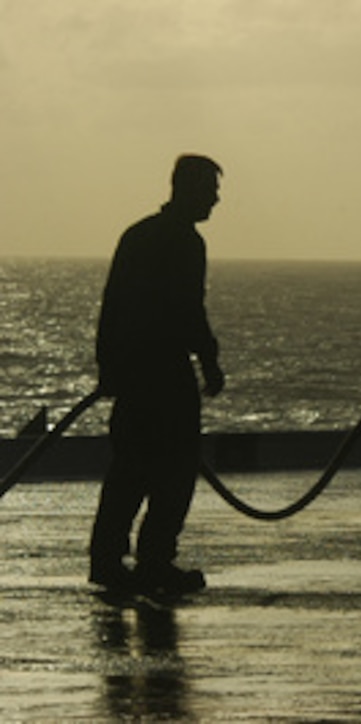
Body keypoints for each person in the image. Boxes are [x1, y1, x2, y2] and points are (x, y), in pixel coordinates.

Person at [89, 154, 225, 596]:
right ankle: (154, 562)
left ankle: (106, 560)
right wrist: (209, 360)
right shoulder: (185, 242)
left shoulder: (138, 235)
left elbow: (111, 306)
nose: (216, 200)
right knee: (176, 470)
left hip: (132, 371)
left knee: (129, 469)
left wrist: (108, 365)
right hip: (165, 372)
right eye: (210, 190)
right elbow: (188, 309)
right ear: (187, 188)